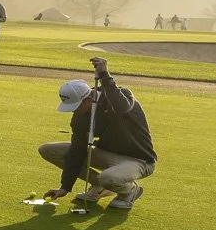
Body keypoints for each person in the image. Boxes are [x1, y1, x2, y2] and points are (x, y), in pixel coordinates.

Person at [40, 56, 156, 209]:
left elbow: (121, 107)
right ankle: (99, 186)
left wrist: (105, 76)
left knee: (108, 177)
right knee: (48, 150)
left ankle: (130, 191)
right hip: (106, 154)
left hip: (138, 160)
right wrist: (65, 187)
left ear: (88, 99)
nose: (74, 111)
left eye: (76, 106)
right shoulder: (80, 116)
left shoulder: (122, 96)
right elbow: (77, 149)